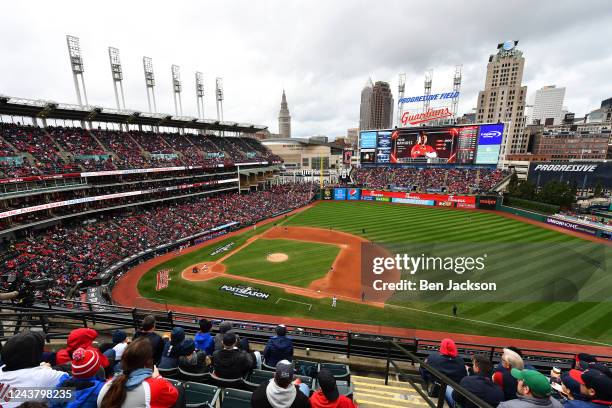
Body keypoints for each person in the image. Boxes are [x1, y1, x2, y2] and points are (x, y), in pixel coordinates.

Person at [97, 338, 180, 408]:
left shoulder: (107, 384)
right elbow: (174, 396)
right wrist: (158, 377)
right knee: (180, 391)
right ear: (148, 361)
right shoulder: (153, 386)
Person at [0, 331, 69, 408]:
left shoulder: (2, 369)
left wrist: (44, 369)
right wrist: (47, 371)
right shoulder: (48, 376)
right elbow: (74, 390)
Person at [498, 369, 562, 408]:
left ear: (526, 389)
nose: (517, 380)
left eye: (520, 379)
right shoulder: (559, 405)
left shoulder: (506, 406)